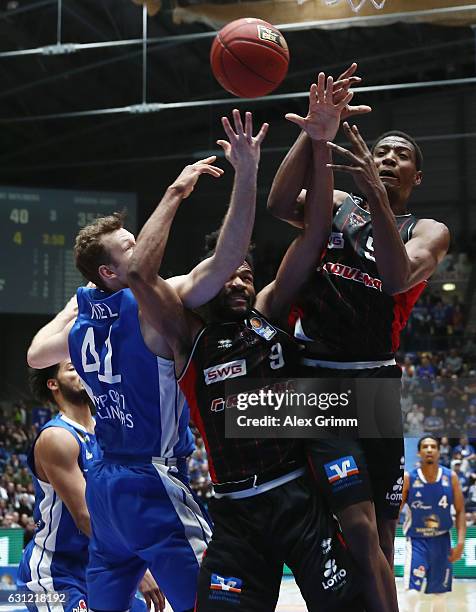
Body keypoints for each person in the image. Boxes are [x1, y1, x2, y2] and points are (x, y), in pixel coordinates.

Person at [128, 74, 364, 611]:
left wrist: (320, 141)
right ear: (210, 280)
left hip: (298, 497)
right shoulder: (189, 335)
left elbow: (315, 230)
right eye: (227, 274)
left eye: (246, 273)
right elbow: (141, 274)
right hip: (236, 512)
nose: (238, 282)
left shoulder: (270, 309)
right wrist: (175, 192)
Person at [26, 110, 268, 612]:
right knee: (215, 601)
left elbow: (35, 353)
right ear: (113, 270)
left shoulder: (81, 324)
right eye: (130, 246)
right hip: (150, 479)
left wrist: (83, 297)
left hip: (106, 490)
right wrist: (242, 175)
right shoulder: (153, 306)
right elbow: (228, 257)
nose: (142, 248)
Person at [267, 73, 450, 612]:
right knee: (358, 528)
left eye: (401, 156)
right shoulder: (340, 202)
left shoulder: (428, 228)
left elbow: (398, 278)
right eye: (382, 150)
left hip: (376, 383)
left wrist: (377, 194)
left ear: (417, 176)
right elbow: (279, 203)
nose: (389, 157)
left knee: (383, 539)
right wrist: (315, 134)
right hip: (316, 378)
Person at [17, 360, 161, 612]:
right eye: (72, 369)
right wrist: (138, 567)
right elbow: (85, 517)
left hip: (99, 565)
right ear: (53, 384)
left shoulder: (109, 432)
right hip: (55, 572)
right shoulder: (57, 437)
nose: (82, 372)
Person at [401, 436, 466, 612]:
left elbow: (460, 511)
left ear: (438, 452)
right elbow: (395, 512)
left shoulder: (450, 477)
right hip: (416, 541)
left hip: (442, 541)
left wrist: (460, 542)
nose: (429, 449)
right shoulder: (409, 478)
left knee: (440, 598)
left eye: (433, 446)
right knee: (412, 593)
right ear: (418, 452)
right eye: (425, 446)